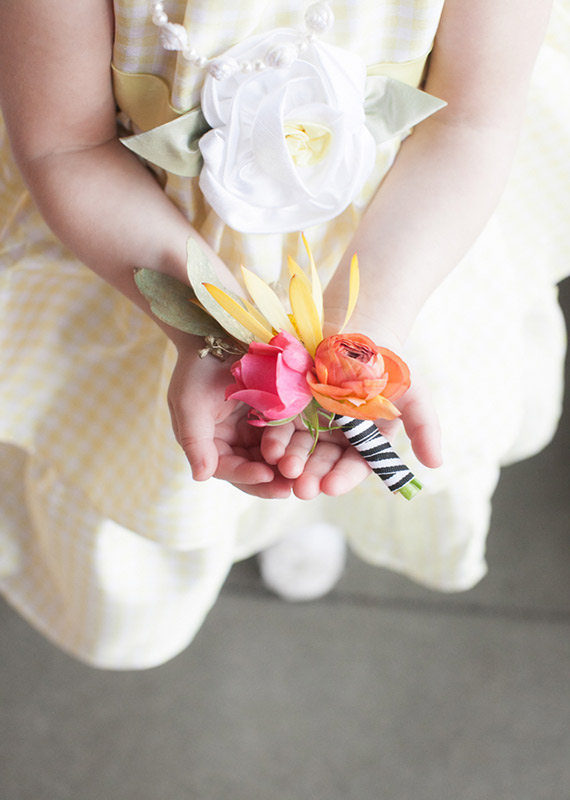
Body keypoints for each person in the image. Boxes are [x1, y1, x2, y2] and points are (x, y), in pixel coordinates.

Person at [0, 0, 567, 669]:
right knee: (162, 476)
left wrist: (364, 327)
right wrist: (206, 326)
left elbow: (470, 120)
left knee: (325, 454)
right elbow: (67, 143)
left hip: (398, 244)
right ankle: (220, 537)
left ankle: (309, 515)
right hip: (139, 242)